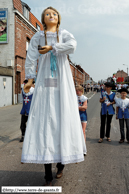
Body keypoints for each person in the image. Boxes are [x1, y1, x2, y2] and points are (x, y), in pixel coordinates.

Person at [21, 6, 86, 186]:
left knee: (63, 116)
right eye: (48, 14)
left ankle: (62, 162)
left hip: (62, 80)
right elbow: (31, 56)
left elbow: (72, 45)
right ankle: (47, 172)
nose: (51, 16)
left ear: (59, 18)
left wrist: (53, 47)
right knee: (45, 120)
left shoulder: (64, 33)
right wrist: (30, 79)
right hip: (45, 80)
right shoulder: (38, 36)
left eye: (54, 14)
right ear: (43, 18)